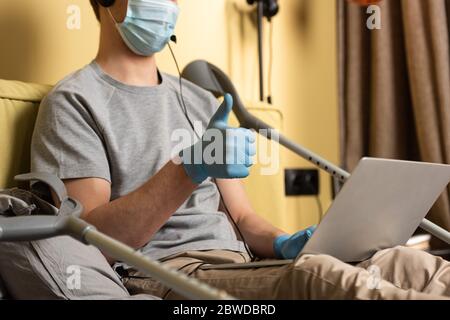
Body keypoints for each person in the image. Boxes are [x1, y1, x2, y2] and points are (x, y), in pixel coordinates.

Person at [31, 0, 450, 300]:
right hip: (169, 274)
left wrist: (287, 242)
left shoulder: (198, 99)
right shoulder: (74, 101)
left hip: (241, 264)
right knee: (319, 277)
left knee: (405, 262)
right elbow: (94, 239)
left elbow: (244, 217)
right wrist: (187, 169)